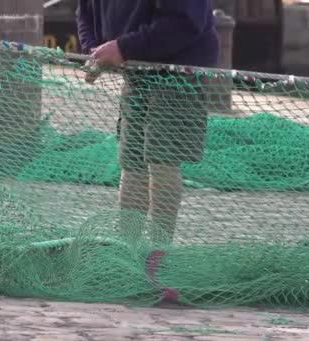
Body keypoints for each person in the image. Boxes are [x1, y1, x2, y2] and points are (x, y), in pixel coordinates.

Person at [76, 0, 219, 243]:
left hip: (178, 75)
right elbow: (85, 13)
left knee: (161, 161)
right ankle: (126, 247)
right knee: (132, 163)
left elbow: (184, 22)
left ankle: (158, 252)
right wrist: (95, 50)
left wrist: (122, 48)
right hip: (136, 71)